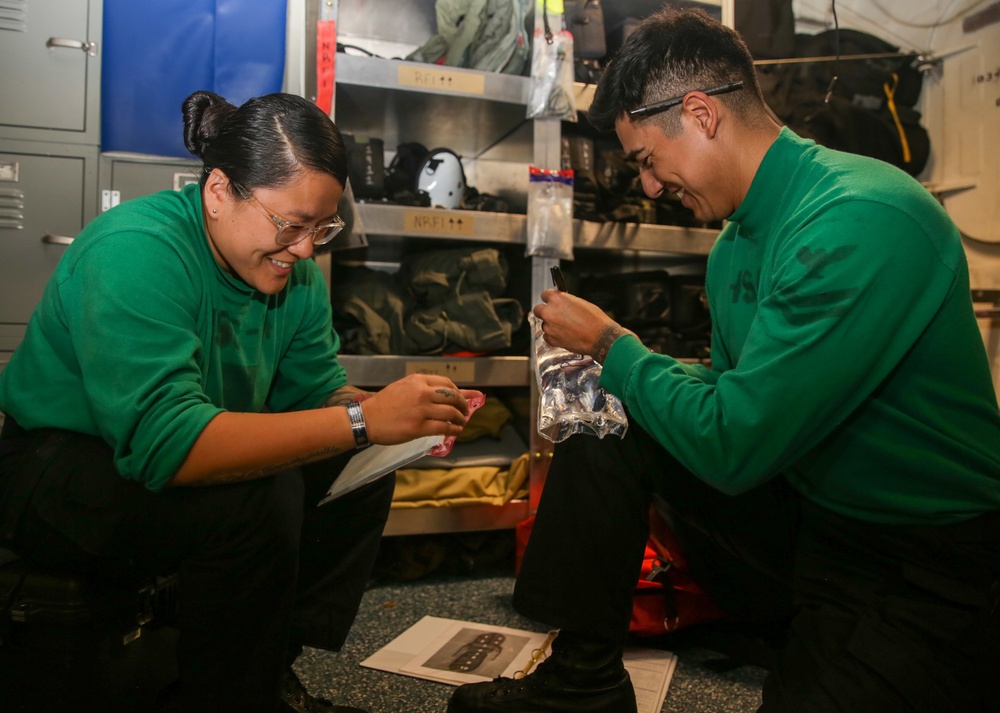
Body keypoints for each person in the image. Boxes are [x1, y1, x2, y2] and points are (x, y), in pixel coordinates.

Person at [448, 8, 1000, 713]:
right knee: (616, 411)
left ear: (702, 114)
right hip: (813, 519)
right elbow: (727, 395)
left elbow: (736, 442)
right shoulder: (736, 241)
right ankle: (580, 683)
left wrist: (614, 344)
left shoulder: (864, 217)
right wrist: (619, 371)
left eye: (646, 161)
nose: (647, 188)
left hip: (926, 562)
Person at [0, 90, 480, 713]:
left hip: (164, 452)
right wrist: (362, 419)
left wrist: (399, 414)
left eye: (321, 227)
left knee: (360, 469)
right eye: (291, 224)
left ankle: (269, 662)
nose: (306, 249)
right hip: (54, 467)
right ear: (220, 190)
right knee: (261, 495)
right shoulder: (135, 251)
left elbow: (314, 392)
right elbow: (167, 445)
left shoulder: (292, 273)